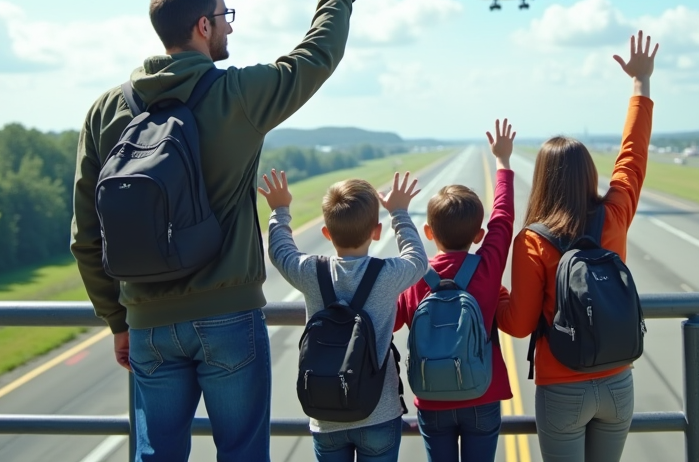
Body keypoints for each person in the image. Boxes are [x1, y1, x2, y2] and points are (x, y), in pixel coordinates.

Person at [71, 0, 355, 461]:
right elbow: (317, 55)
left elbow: (86, 235)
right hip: (229, 316)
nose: (229, 27)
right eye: (225, 17)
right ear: (203, 26)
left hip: (147, 323)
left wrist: (118, 320)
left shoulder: (106, 110)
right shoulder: (239, 94)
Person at [496, 30, 658, 462]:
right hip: (618, 381)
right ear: (589, 174)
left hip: (562, 387)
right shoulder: (615, 213)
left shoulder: (532, 240)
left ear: (542, 181)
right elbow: (633, 157)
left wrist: (494, 295)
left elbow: (519, 324)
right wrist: (640, 83)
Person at [260, 170, 429, 462]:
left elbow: (280, 251)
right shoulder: (387, 274)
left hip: (326, 415)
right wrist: (399, 212)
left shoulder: (311, 272)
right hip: (378, 413)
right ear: (377, 232)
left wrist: (280, 210)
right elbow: (417, 258)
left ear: (326, 233)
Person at [393, 119, 517, 462]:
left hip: (432, 398)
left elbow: (393, 320)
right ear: (479, 236)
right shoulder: (487, 268)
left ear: (428, 232)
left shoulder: (414, 274)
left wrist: (398, 213)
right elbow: (503, 218)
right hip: (482, 393)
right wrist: (503, 162)